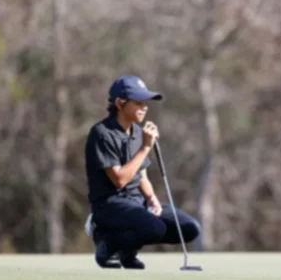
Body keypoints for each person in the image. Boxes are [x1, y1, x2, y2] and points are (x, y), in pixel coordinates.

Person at [83, 75, 201, 269]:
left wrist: (151, 198)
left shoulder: (138, 132)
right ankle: (106, 242)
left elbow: (141, 175)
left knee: (189, 229)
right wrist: (146, 147)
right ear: (120, 103)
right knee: (154, 228)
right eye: (138, 103)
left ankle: (126, 251)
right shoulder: (102, 133)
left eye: (145, 103)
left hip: (136, 202)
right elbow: (119, 180)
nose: (144, 108)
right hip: (109, 205)